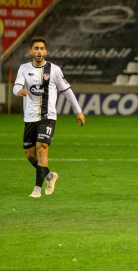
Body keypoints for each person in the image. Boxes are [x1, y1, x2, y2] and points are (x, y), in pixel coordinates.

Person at [13, 37, 85, 198]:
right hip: (30, 118)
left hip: (48, 116)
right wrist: (17, 91)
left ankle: (37, 189)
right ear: (30, 51)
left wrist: (78, 110)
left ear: (45, 51)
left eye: (42, 48)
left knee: (41, 149)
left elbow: (66, 90)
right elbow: (17, 85)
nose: (39, 51)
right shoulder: (24, 68)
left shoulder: (54, 70)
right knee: (29, 154)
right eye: (36, 48)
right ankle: (50, 177)